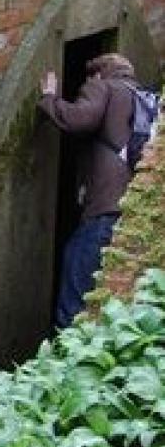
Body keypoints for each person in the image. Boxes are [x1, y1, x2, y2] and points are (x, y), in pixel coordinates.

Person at [37, 52, 137, 328]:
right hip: (131, 207)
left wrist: (49, 98)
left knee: (76, 273)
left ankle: (67, 352)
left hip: (105, 207)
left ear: (96, 73)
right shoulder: (141, 97)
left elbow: (80, 118)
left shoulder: (102, 86)